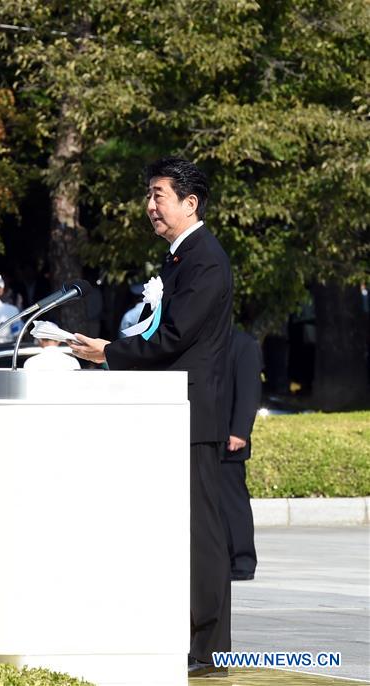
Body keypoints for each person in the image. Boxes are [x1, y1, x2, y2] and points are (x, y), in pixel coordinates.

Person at [69, 157, 233, 677]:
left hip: (192, 414)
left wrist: (110, 352)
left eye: (158, 195)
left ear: (191, 203)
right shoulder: (178, 259)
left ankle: (211, 650)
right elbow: (159, 331)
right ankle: (182, 638)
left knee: (201, 534)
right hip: (168, 411)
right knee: (178, 531)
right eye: (149, 195)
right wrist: (112, 348)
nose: (150, 206)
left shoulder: (204, 259)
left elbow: (175, 336)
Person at [222, 329, 262, 581]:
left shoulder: (243, 343)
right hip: (208, 433)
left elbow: (249, 392)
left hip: (230, 438)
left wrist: (240, 431)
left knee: (233, 503)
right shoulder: (203, 338)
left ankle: (243, 560)